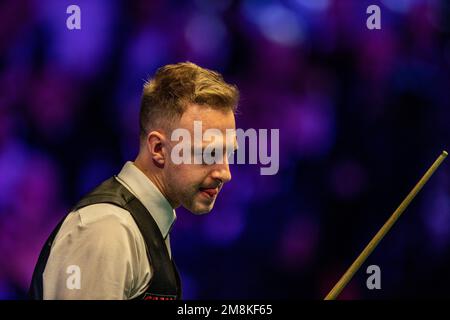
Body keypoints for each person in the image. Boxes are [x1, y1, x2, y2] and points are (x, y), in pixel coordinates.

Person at [29, 62, 240, 300]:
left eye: (228, 154)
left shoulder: (139, 223)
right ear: (159, 149)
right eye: (209, 153)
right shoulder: (108, 229)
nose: (225, 172)